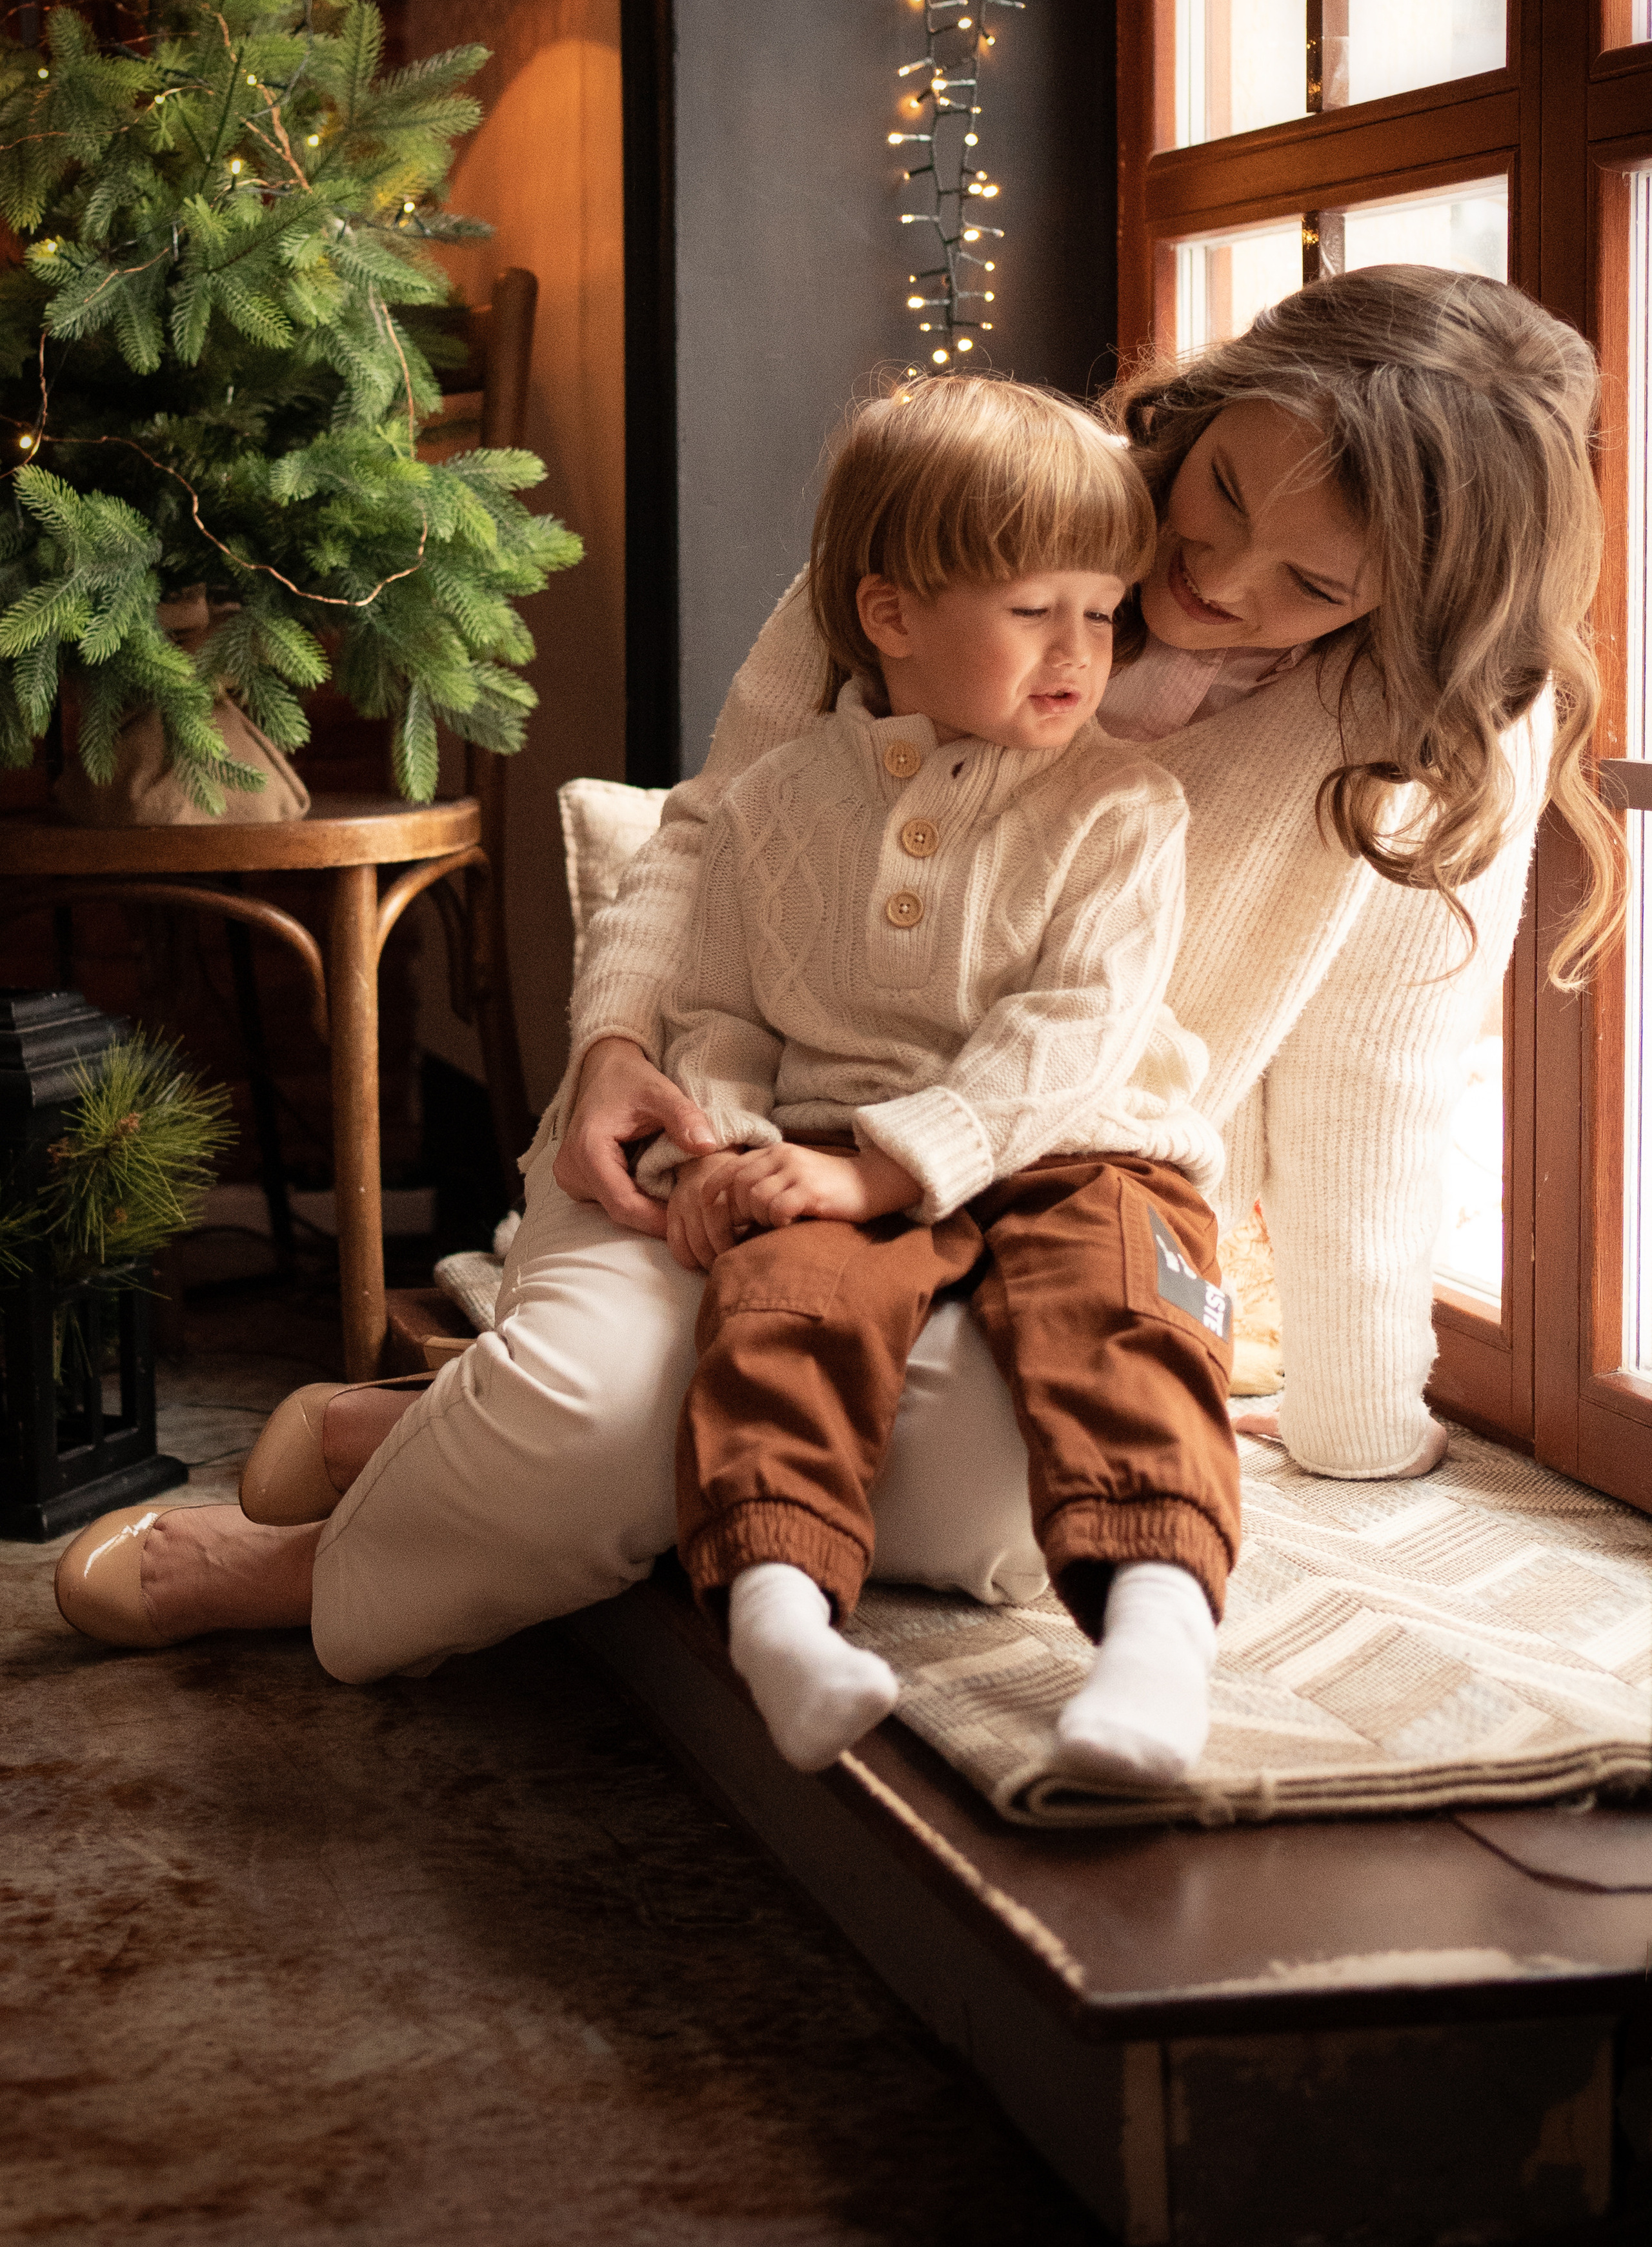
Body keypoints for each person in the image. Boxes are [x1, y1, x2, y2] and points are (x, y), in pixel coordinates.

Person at [52, 268, 1624, 1692]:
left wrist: (1358, 1423)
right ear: (1210, 401)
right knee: (609, 1407)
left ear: (1406, 605)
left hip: (1052, 1195)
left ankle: (418, 1438)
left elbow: (1374, 1076)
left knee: (1011, 1515)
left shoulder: (1443, 726)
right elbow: (709, 838)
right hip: (735, 1112)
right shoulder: (950, 539)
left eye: (1314, 583)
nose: (1217, 579)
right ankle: (336, 1557)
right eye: (1217, 493)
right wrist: (611, 1045)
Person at [640, 376, 1235, 1780]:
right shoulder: (775, 805)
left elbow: (1075, 1028)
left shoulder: (1120, 810)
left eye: (1102, 612)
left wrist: (889, 1163)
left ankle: (1153, 1647)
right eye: (1036, 610)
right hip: (829, 1139)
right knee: (778, 1315)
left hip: (1091, 1145)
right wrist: (717, 1147)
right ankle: (780, 1620)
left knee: (1129, 1321)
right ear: (893, 615)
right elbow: (715, 1005)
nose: (1079, 651)